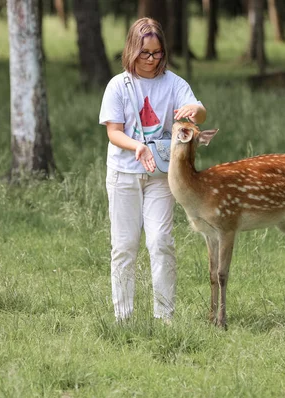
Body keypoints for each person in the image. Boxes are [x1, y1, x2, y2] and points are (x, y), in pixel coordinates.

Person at [99, 18, 207, 322]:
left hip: (161, 176)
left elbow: (200, 110)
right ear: (132, 50)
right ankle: (123, 319)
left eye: (157, 53)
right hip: (123, 173)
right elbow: (113, 132)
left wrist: (194, 111)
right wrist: (137, 147)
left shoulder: (173, 83)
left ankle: (165, 318)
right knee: (124, 246)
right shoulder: (118, 85)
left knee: (160, 241)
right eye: (145, 53)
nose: (151, 60)